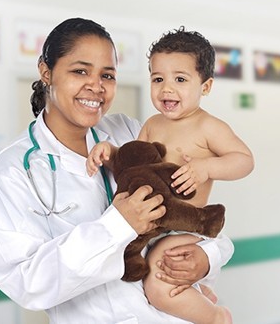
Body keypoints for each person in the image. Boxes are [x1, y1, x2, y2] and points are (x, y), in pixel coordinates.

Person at [0, 18, 234, 324]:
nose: (96, 86)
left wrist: (207, 259)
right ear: (46, 71)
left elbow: (194, 214)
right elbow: (27, 283)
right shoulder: (11, 172)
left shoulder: (133, 133)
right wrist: (118, 225)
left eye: (108, 75)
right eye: (80, 71)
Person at [87, 27, 254, 324]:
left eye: (180, 79)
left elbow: (244, 161)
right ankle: (201, 295)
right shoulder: (152, 124)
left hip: (184, 225)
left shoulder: (209, 127)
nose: (167, 89)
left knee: (159, 281)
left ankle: (216, 317)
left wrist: (206, 167)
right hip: (152, 226)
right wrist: (110, 154)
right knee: (143, 274)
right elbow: (134, 165)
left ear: (206, 86)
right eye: (158, 79)